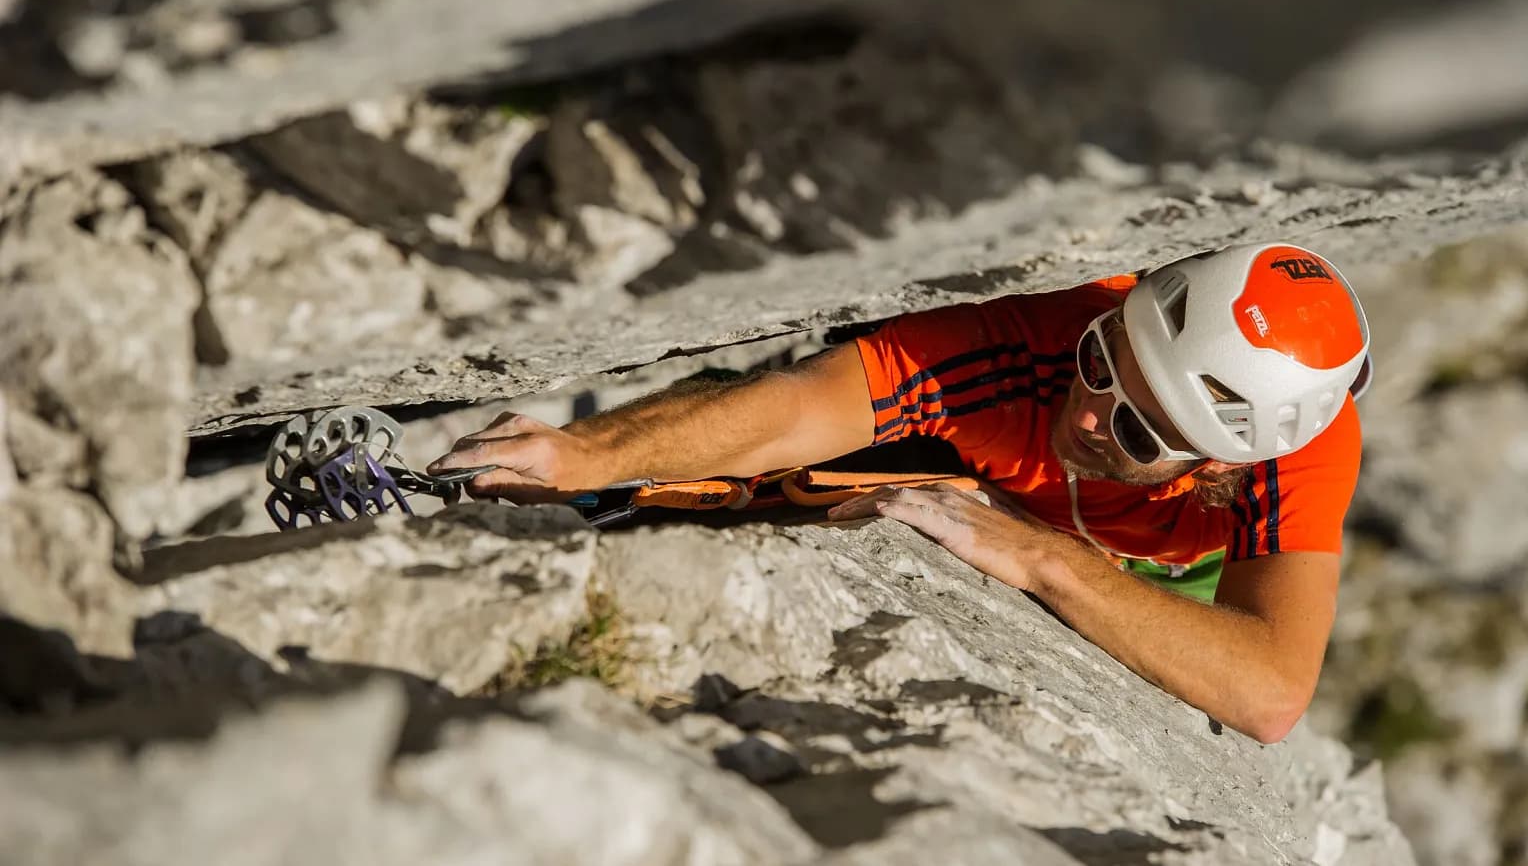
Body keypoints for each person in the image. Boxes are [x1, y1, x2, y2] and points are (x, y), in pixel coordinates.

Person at [430, 241, 1372, 743]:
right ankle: (488, 513)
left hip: (1162, 585)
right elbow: (798, 406)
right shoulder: (1036, 341)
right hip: (977, 472)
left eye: (1133, 429)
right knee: (809, 480)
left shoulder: (1296, 454)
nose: (1087, 413)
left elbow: (1269, 690)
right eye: (1102, 362)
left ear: (1215, 468)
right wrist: (584, 453)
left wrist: (1046, 558)